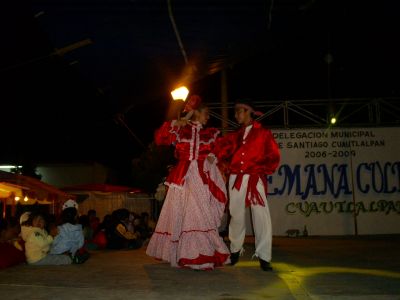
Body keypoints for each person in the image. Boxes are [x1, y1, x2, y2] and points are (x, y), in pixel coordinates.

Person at [146, 95, 230, 270]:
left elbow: (221, 152)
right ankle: (187, 254)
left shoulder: (211, 134)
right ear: (196, 113)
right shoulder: (181, 130)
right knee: (181, 213)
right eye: (205, 113)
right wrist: (182, 120)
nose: (208, 117)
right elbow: (161, 138)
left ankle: (198, 252)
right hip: (183, 177)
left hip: (201, 177)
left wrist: (214, 158)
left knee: (200, 213)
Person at [214, 98, 280, 271]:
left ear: (249, 111)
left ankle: (264, 256)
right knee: (236, 215)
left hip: (254, 178)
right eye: (235, 112)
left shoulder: (263, 133)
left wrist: (259, 168)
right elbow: (222, 151)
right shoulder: (235, 135)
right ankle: (235, 251)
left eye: (238, 111)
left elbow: (274, 156)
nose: (235, 115)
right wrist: (219, 159)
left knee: (261, 216)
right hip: (236, 179)